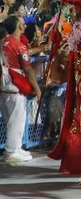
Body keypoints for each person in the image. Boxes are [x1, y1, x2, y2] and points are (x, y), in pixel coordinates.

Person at [2, 15, 40, 164]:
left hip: (3, 87)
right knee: (16, 120)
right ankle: (11, 151)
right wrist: (37, 89)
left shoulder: (2, 43)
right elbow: (28, 69)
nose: (25, 26)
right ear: (19, 27)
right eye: (23, 24)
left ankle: (16, 148)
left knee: (9, 119)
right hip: (15, 86)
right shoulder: (19, 46)